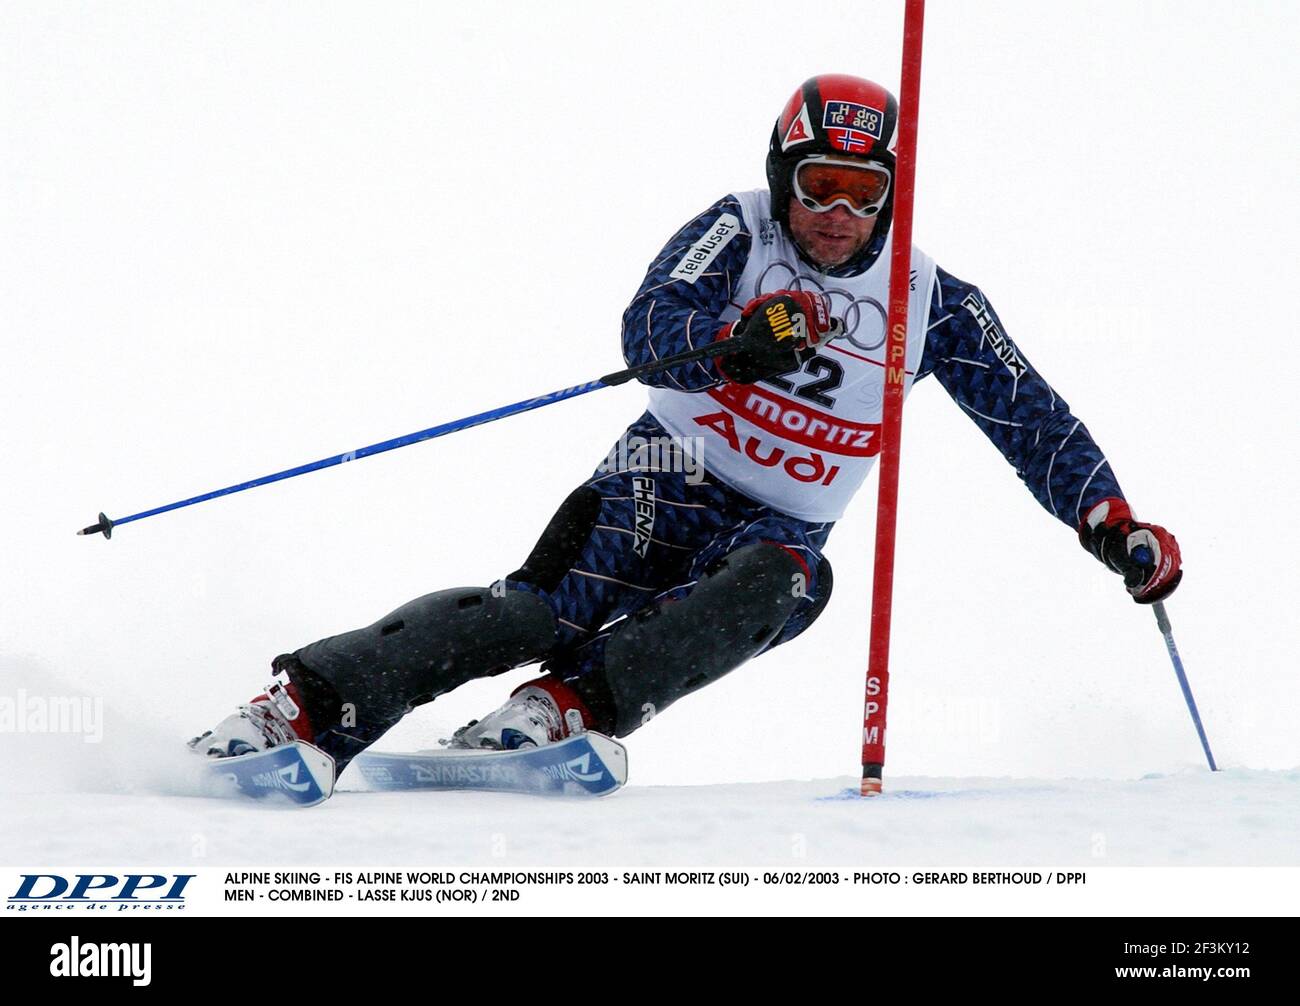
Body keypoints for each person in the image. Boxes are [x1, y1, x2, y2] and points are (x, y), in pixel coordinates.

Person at [189, 74, 1182, 773]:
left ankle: (558, 713)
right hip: (665, 466)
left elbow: (1031, 417)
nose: (836, 213)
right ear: (783, 175)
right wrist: (733, 337)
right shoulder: (739, 227)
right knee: (541, 610)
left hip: (780, 522)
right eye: (818, 186)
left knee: (790, 583)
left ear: (890, 198)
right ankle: (305, 704)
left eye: (862, 192)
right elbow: (649, 319)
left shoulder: (934, 302)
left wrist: (1111, 521)